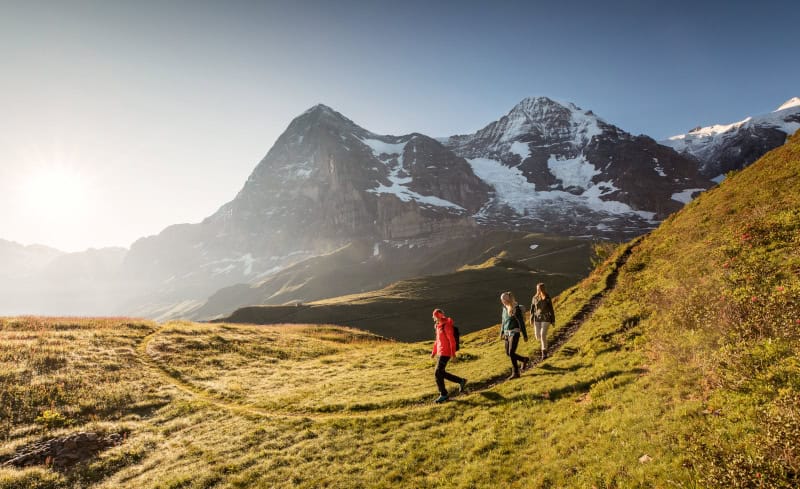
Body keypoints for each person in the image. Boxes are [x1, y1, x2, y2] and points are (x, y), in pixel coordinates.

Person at [430, 309, 466, 403]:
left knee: (437, 372)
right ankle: (461, 381)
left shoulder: (446, 325)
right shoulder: (438, 326)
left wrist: (453, 354)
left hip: (446, 352)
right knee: (440, 372)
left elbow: (452, 341)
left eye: (435, 316)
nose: (433, 318)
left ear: (438, 316)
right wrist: (433, 352)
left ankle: (444, 394)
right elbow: (437, 340)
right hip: (440, 352)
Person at [499, 291, 530, 379]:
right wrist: (501, 332)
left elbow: (521, 322)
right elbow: (503, 321)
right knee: (508, 353)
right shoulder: (504, 308)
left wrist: (524, 335)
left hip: (514, 333)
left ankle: (516, 373)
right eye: (501, 300)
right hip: (506, 333)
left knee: (511, 352)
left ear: (507, 300)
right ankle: (524, 360)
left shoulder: (516, 308)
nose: (502, 302)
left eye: (503, 300)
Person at [530, 282, 556, 360]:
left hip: (546, 318)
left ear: (543, 289)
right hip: (537, 319)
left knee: (542, 334)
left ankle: (544, 352)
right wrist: (531, 318)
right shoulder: (534, 298)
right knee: (537, 336)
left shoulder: (547, 297)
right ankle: (543, 346)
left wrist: (553, 320)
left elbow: (551, 309)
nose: (538, 290)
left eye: (540, 289)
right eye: (537, 289)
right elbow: (532, 309)